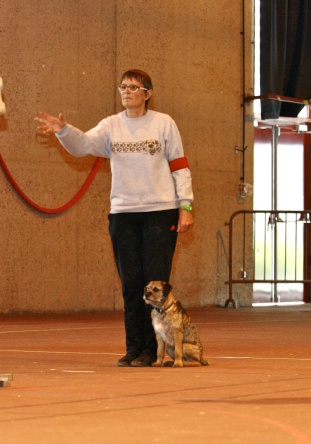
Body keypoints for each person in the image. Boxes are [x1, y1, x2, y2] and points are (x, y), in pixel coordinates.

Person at [35, 69, 194, 367]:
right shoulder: (111, 125)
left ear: (147, 94)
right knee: (131, 284)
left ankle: (153, 349)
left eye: (134, 87)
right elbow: (83, 145)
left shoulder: (164, 124)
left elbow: (180, 165)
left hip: (160, 212)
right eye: (123, 86)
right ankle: (135, 347)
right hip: (123, 214)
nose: (127, 91)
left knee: (155, 285)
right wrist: (62, 130)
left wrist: (185, 206)